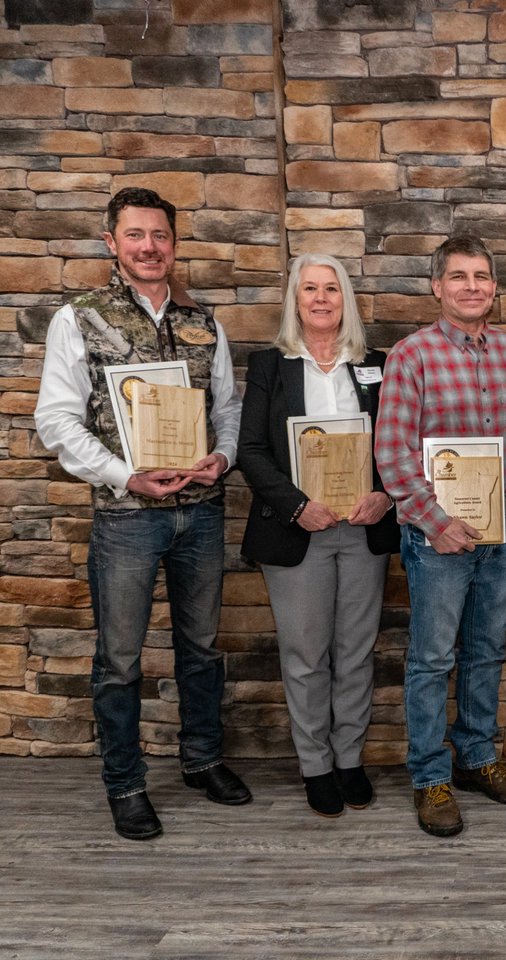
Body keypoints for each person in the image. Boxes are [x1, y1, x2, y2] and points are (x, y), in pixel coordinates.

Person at [34, 187, 250, 841]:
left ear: (173, 244)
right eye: (135, 236)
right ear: (112, 243)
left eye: (159, 235)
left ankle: (202, 759)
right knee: (120, 659)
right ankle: (125, 785)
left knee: (202, 650)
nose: (149, 247)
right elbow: (56, 419)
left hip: (202, 511)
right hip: (127, 516)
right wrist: (124, 475)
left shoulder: (201, 323)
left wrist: (222, 456)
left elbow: (228, 409)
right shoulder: (79, 318)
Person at [375, 235, 506, 837]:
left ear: (495, 288)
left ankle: (477, 758)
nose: (473, 286)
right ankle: (429, 776)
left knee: (487, 650)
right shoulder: (411, 356)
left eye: (483, 276)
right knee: (432, 657)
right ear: (437, 286)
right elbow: (391, 452)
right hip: (435, 537)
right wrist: (435, 523)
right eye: (459, 276)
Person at [238, 254, 399, 818]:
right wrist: (296, 505)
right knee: (306, 655)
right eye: (311, 289)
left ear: (346, 299)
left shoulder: (375, 365)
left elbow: (397, 442)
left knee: (355, 653)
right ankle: (315, 765)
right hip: (298, 532)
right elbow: (250, 452)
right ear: (296, 299)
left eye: (332, 288)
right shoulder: (270, 366)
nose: (322, 298)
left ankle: (349, 758)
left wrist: (386, 493)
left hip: (362, 529)